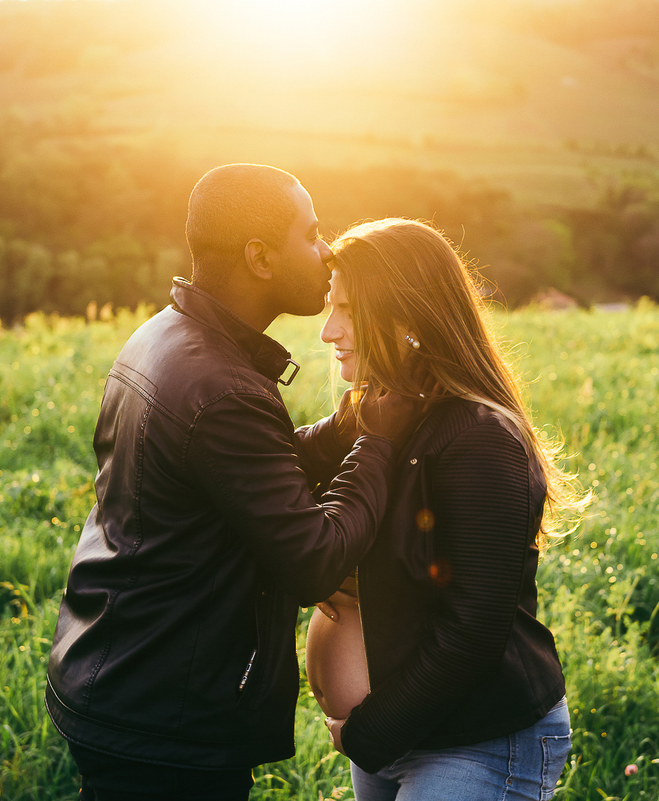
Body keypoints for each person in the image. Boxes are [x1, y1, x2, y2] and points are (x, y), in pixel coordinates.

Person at [45, 165, 419, 801]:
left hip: (120, 677)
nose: (327, 251)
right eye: (312, 234)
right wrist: (378, 444)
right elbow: (314, 561)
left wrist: (345, 426)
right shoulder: (222, 389)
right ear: (260, 258)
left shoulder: (162, 336)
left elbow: (245, 477)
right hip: (165, 719)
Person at [304, 218, 589, 800]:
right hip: (396, 732)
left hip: (478, 743)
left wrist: (371, 732)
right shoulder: (380, 409)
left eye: (349, 310)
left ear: (407, 318)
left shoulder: (479, 438)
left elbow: (474, 629)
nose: (329, 331)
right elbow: (280, 466)